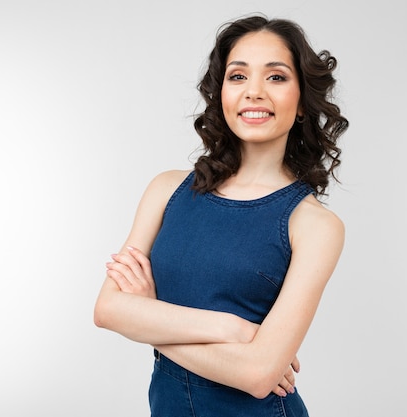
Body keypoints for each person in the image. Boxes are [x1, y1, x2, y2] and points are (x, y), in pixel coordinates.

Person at [94, 14, 349, 417]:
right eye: (238, 76)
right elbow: (107, 311)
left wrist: (148, 316)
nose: (254, 92)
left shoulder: (314, 225)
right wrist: (232, 329)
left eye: (277, 77)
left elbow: (259, 375)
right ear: (221, 93)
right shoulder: (167, 189)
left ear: (301, 103)